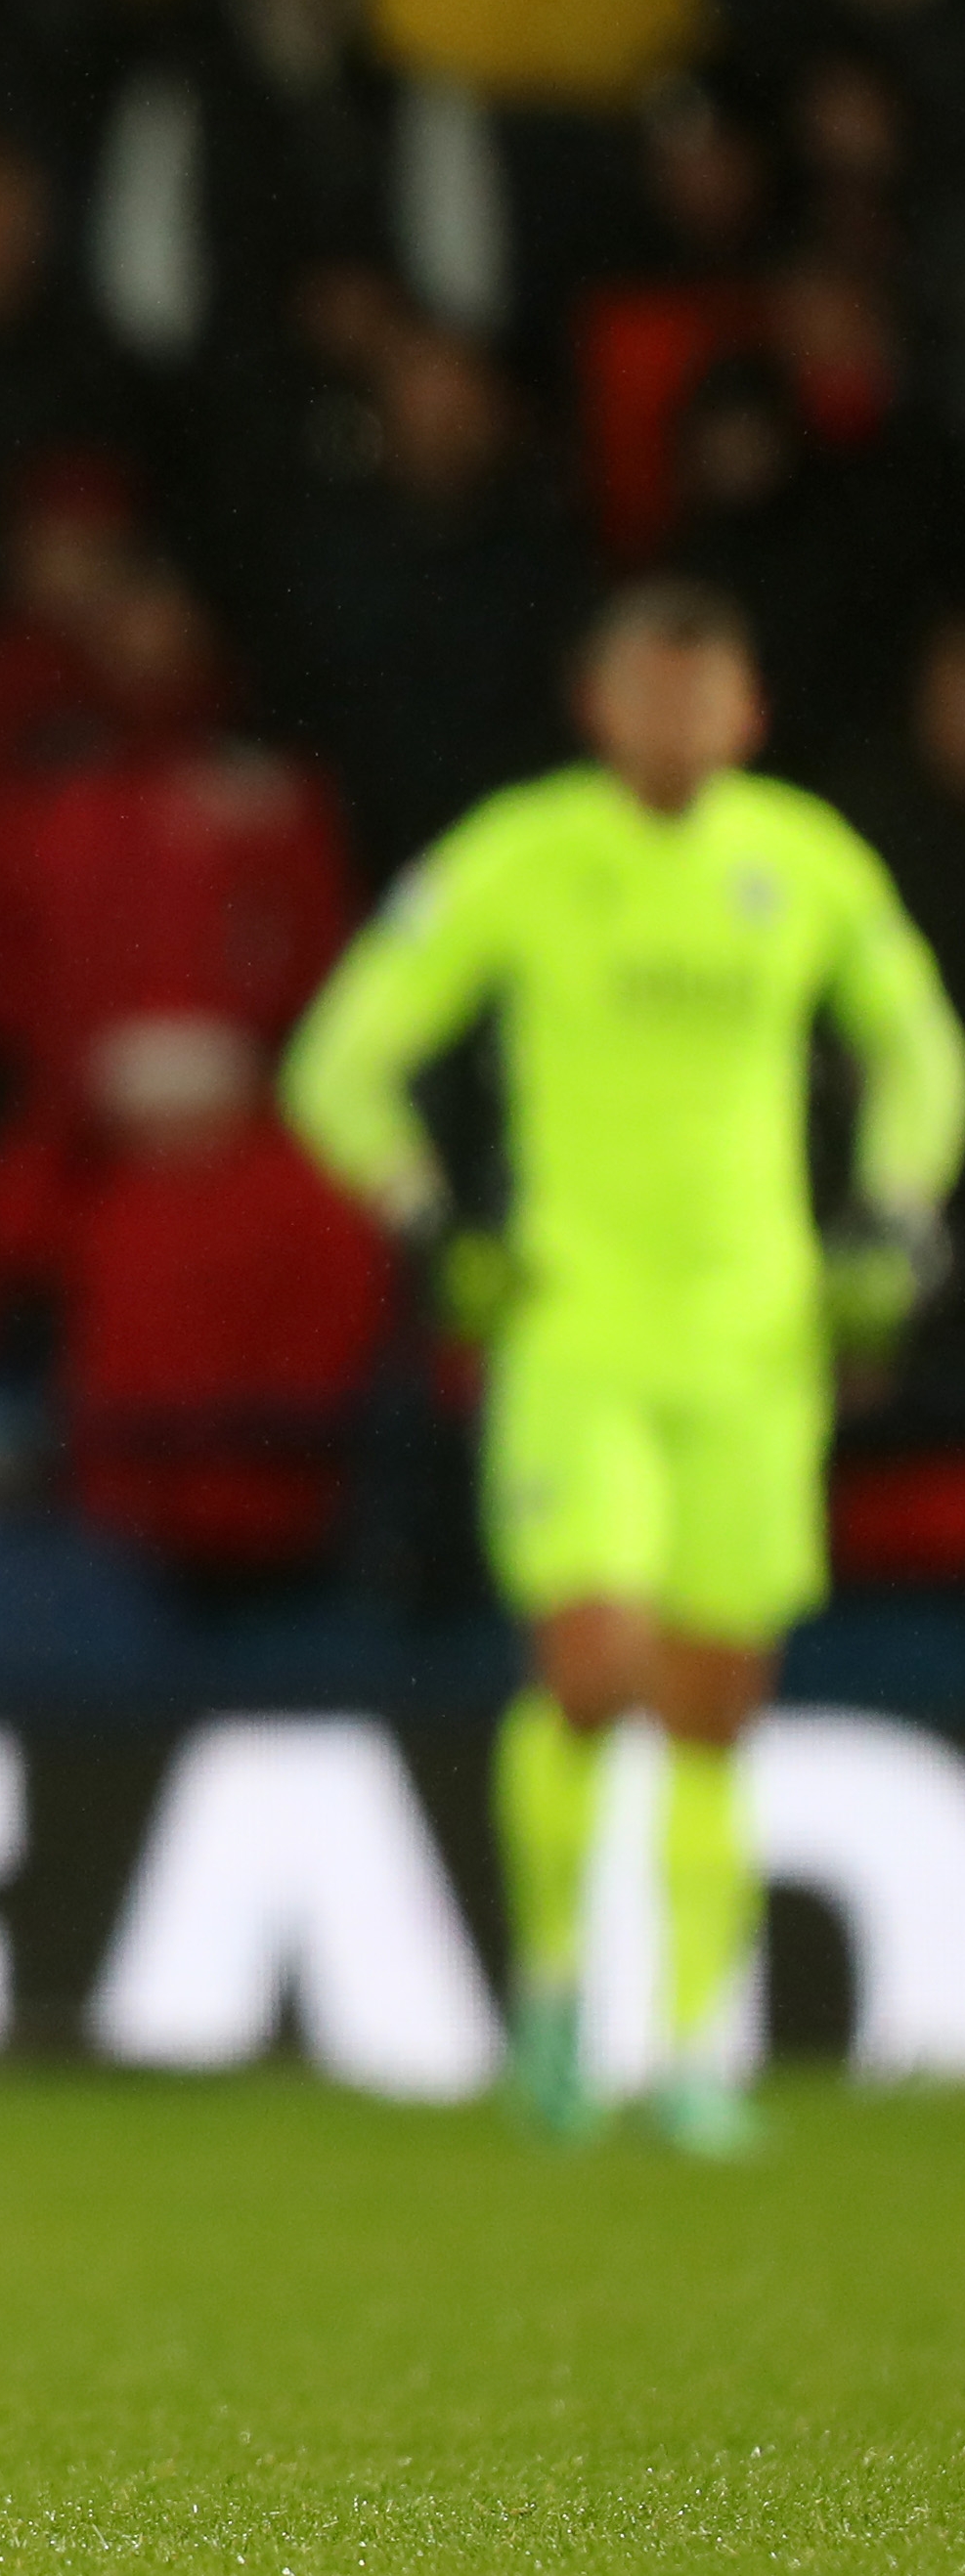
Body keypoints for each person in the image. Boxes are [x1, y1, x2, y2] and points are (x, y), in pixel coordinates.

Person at [283, 579, 965, 2158]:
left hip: (759, 1339)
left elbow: (924, 1046)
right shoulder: (521, 858)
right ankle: (551, 1998)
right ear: (599, 709)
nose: (674, 723)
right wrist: (427, 1211)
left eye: (701, 696)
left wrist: (900, 1208)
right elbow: (339, 1056)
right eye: (646, 696)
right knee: (594, 1669)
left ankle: (692, 2051)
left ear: (748, 715)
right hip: (575, 1327)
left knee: (717, 1706)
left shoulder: (800, 864)